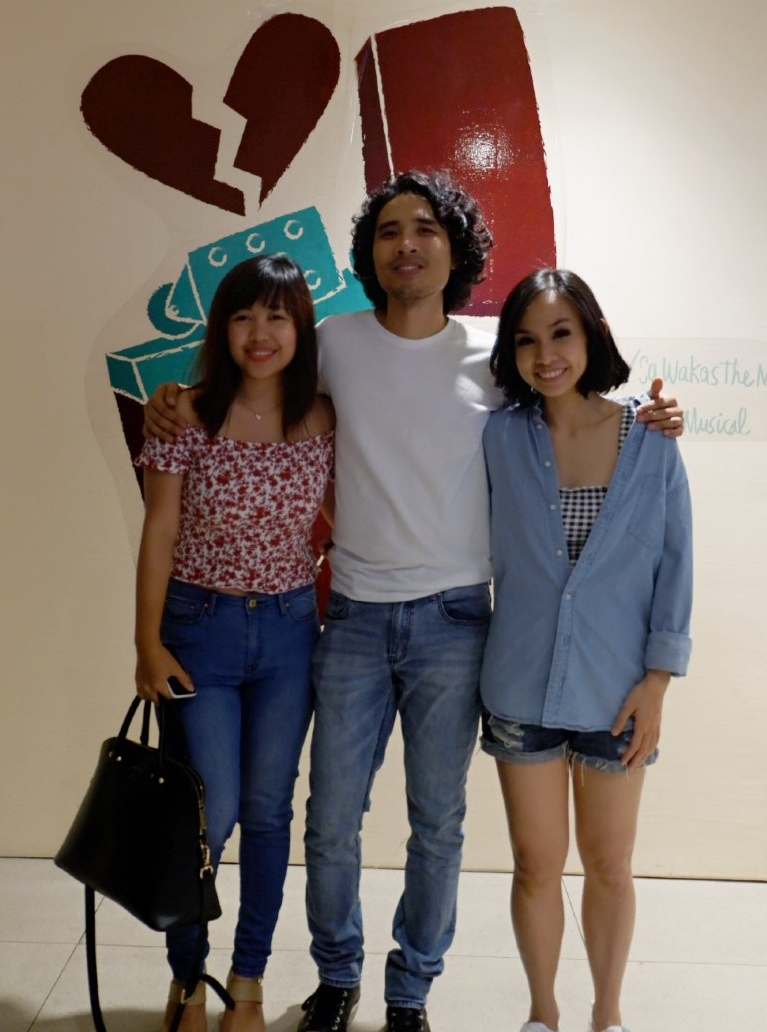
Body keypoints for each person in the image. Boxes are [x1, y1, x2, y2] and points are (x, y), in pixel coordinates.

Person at [143, 172, 683, 1032]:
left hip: (456, 622)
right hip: (352, 617)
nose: (407, 244)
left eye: (425, 228)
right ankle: (337, 976)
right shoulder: (336, 344)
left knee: (437, 824)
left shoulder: (494, 356)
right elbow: (251, 379)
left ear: (452, 247)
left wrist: (650, 418)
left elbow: (572, 399)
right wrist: (172, 398)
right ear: (370, 252)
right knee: (330, 822)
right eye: (389, 230)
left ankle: (410, 991)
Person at [480, 269, 693, 1032]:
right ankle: (542, 1014)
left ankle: (607, 1015)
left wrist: (657, 684)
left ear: (591, 335)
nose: (545, 355)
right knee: (536, 865)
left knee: (608, 865)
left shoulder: (650, 440)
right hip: (519, 686)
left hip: (617, 691)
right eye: (525, 340)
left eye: (560, 334)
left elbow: (675, 565)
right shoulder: (498, 436)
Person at [134, 253, 334, 1032]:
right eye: (244, 316)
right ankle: (187, 977)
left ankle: (246, 978)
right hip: (199, 631)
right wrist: (146, 643)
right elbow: (159, 531)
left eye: (277, 317)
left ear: (300, 328)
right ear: (221, 327)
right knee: (206, 817)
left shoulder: (324, 417)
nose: (260, 333)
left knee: (268, 811)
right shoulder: (184, 414)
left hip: (289, 633)